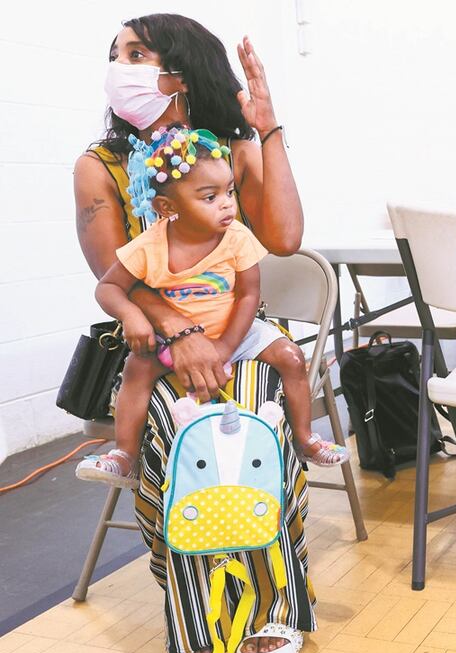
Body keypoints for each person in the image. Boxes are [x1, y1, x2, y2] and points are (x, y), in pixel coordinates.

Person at [73, 14, 311, 653]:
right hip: (155, 333)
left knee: (259, 418)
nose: (121, 66)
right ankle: (195, 623)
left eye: (136, 52)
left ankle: (270, 608)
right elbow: (112, 274)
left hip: (238, 327)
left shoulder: (226, 150)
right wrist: (178, 333)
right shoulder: (101, 167)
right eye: (115, 52)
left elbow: (284, 239)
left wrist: (266, 127)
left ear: (178, 71)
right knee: (174, 430)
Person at [76, 126, 349, 491]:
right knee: (136, 371)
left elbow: (249, 296)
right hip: (175, 342)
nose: (226, 204)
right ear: (167, 208)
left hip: (237, 331)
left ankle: (304, 439)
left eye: (229, 191)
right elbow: (108, 287)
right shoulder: (149, 245)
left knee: (291, 357)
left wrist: (224, 348)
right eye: (209, 197)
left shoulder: (236, 237)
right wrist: (131, 315)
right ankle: (126, 456)